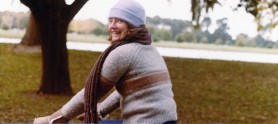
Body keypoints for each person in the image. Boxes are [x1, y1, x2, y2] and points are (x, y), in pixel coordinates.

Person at [33, 0, 177, 123]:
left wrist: (54, 119)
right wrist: (100, 110)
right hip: (167, 120)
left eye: (120, 21)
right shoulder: (148, 49)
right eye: (111, 20)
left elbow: (91, 92)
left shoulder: (124, 52)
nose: (112, 26)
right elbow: (127, 91)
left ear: (133, 25)